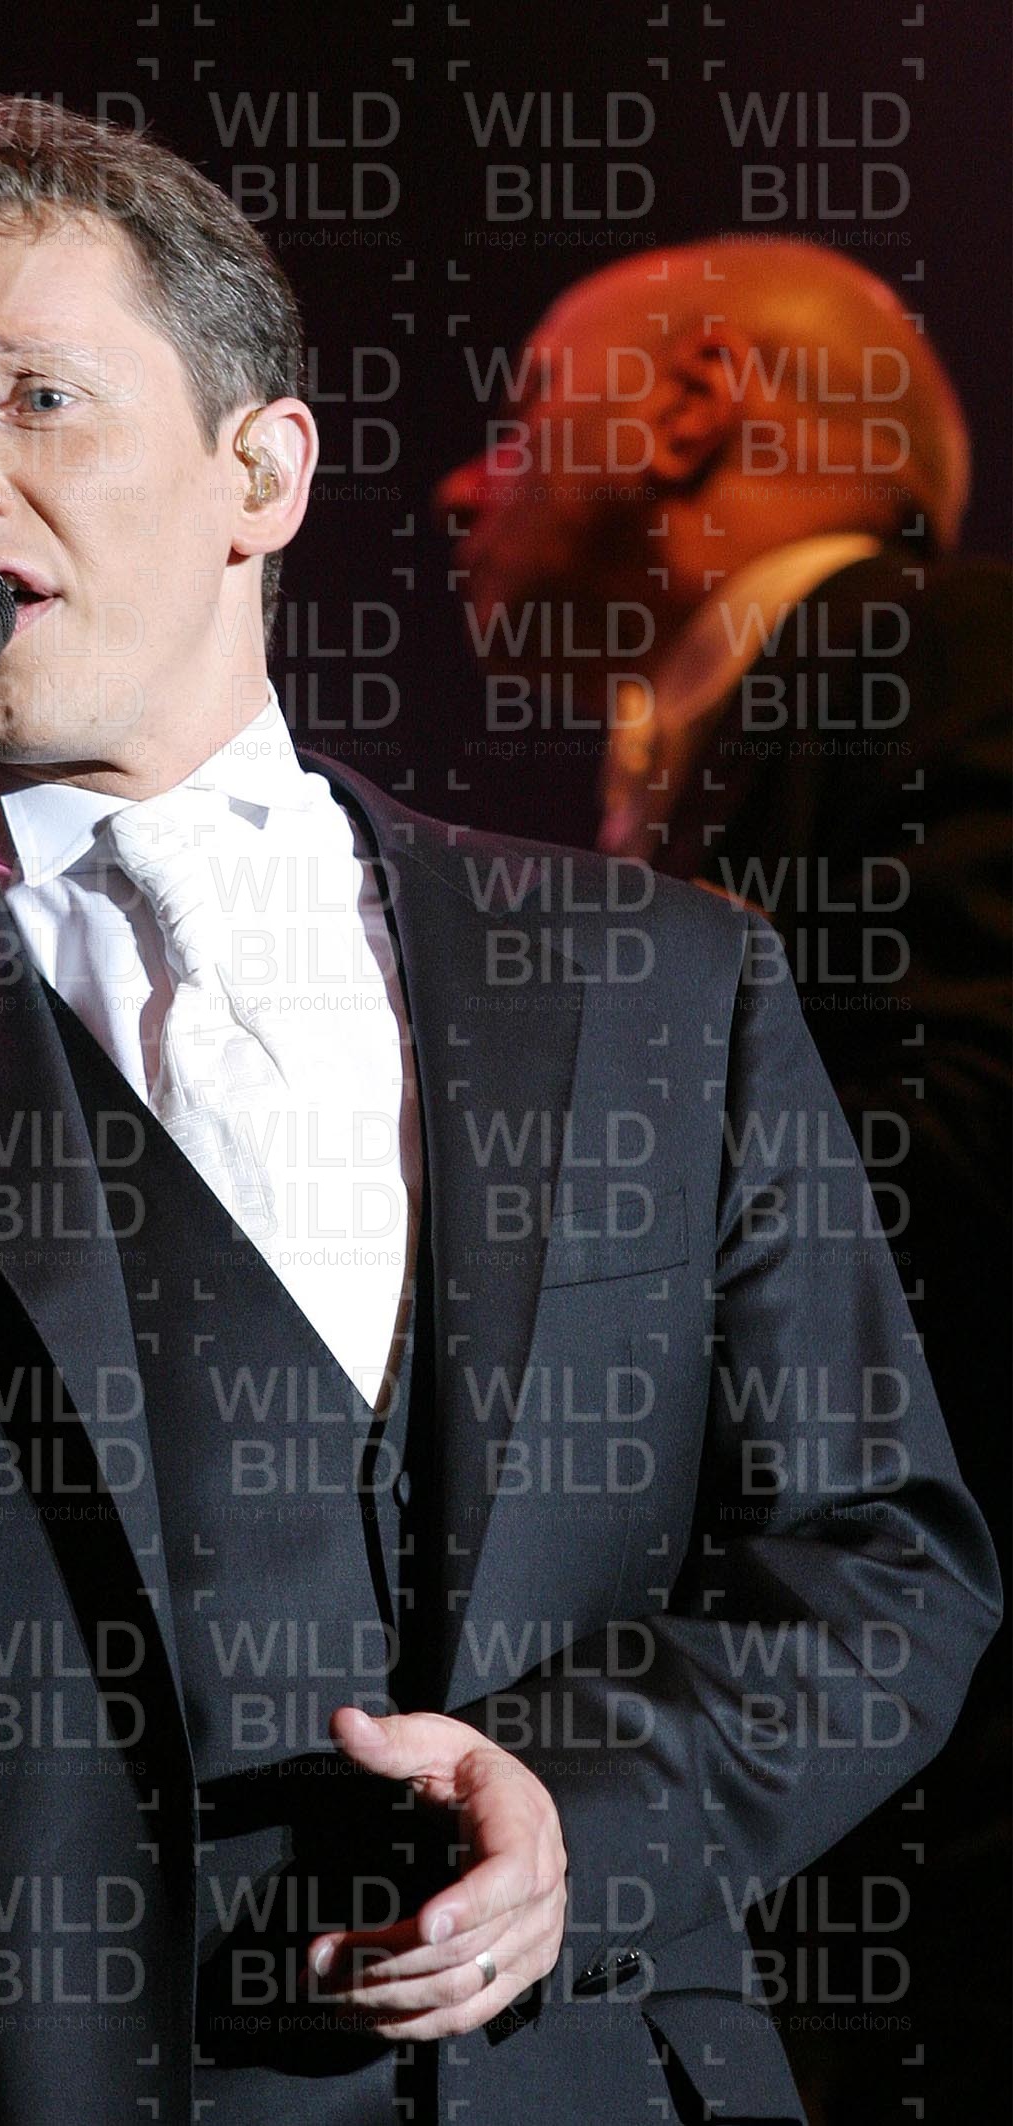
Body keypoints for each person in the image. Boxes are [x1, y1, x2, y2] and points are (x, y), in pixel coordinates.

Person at [0, 104, 999, 2126]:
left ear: (258, 472)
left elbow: (879, 1562)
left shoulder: (654, 978)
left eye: (37, 398)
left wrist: (591, 1815)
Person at [436, 234, 1011, 2118]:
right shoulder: (737, 743)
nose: (459, 482)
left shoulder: (943, 660)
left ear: (694, 406)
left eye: (524, 411)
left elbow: (962, 1150)